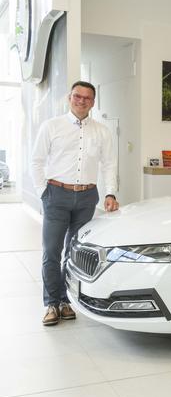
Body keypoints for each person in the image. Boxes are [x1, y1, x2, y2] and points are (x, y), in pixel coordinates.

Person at [31, 81, 119, 326]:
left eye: (88, 98)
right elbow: (36, 161)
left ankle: (66, 301)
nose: (82, 101)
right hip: (56, 195)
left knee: (74, 252)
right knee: (51, 251)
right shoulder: (52, 126)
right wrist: (43, 192)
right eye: (78, 96)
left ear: (93, 102)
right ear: (69, 97)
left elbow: (109, 164)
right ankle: (51, 303)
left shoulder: (102, 131)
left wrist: (110, 193)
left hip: (87, 197)